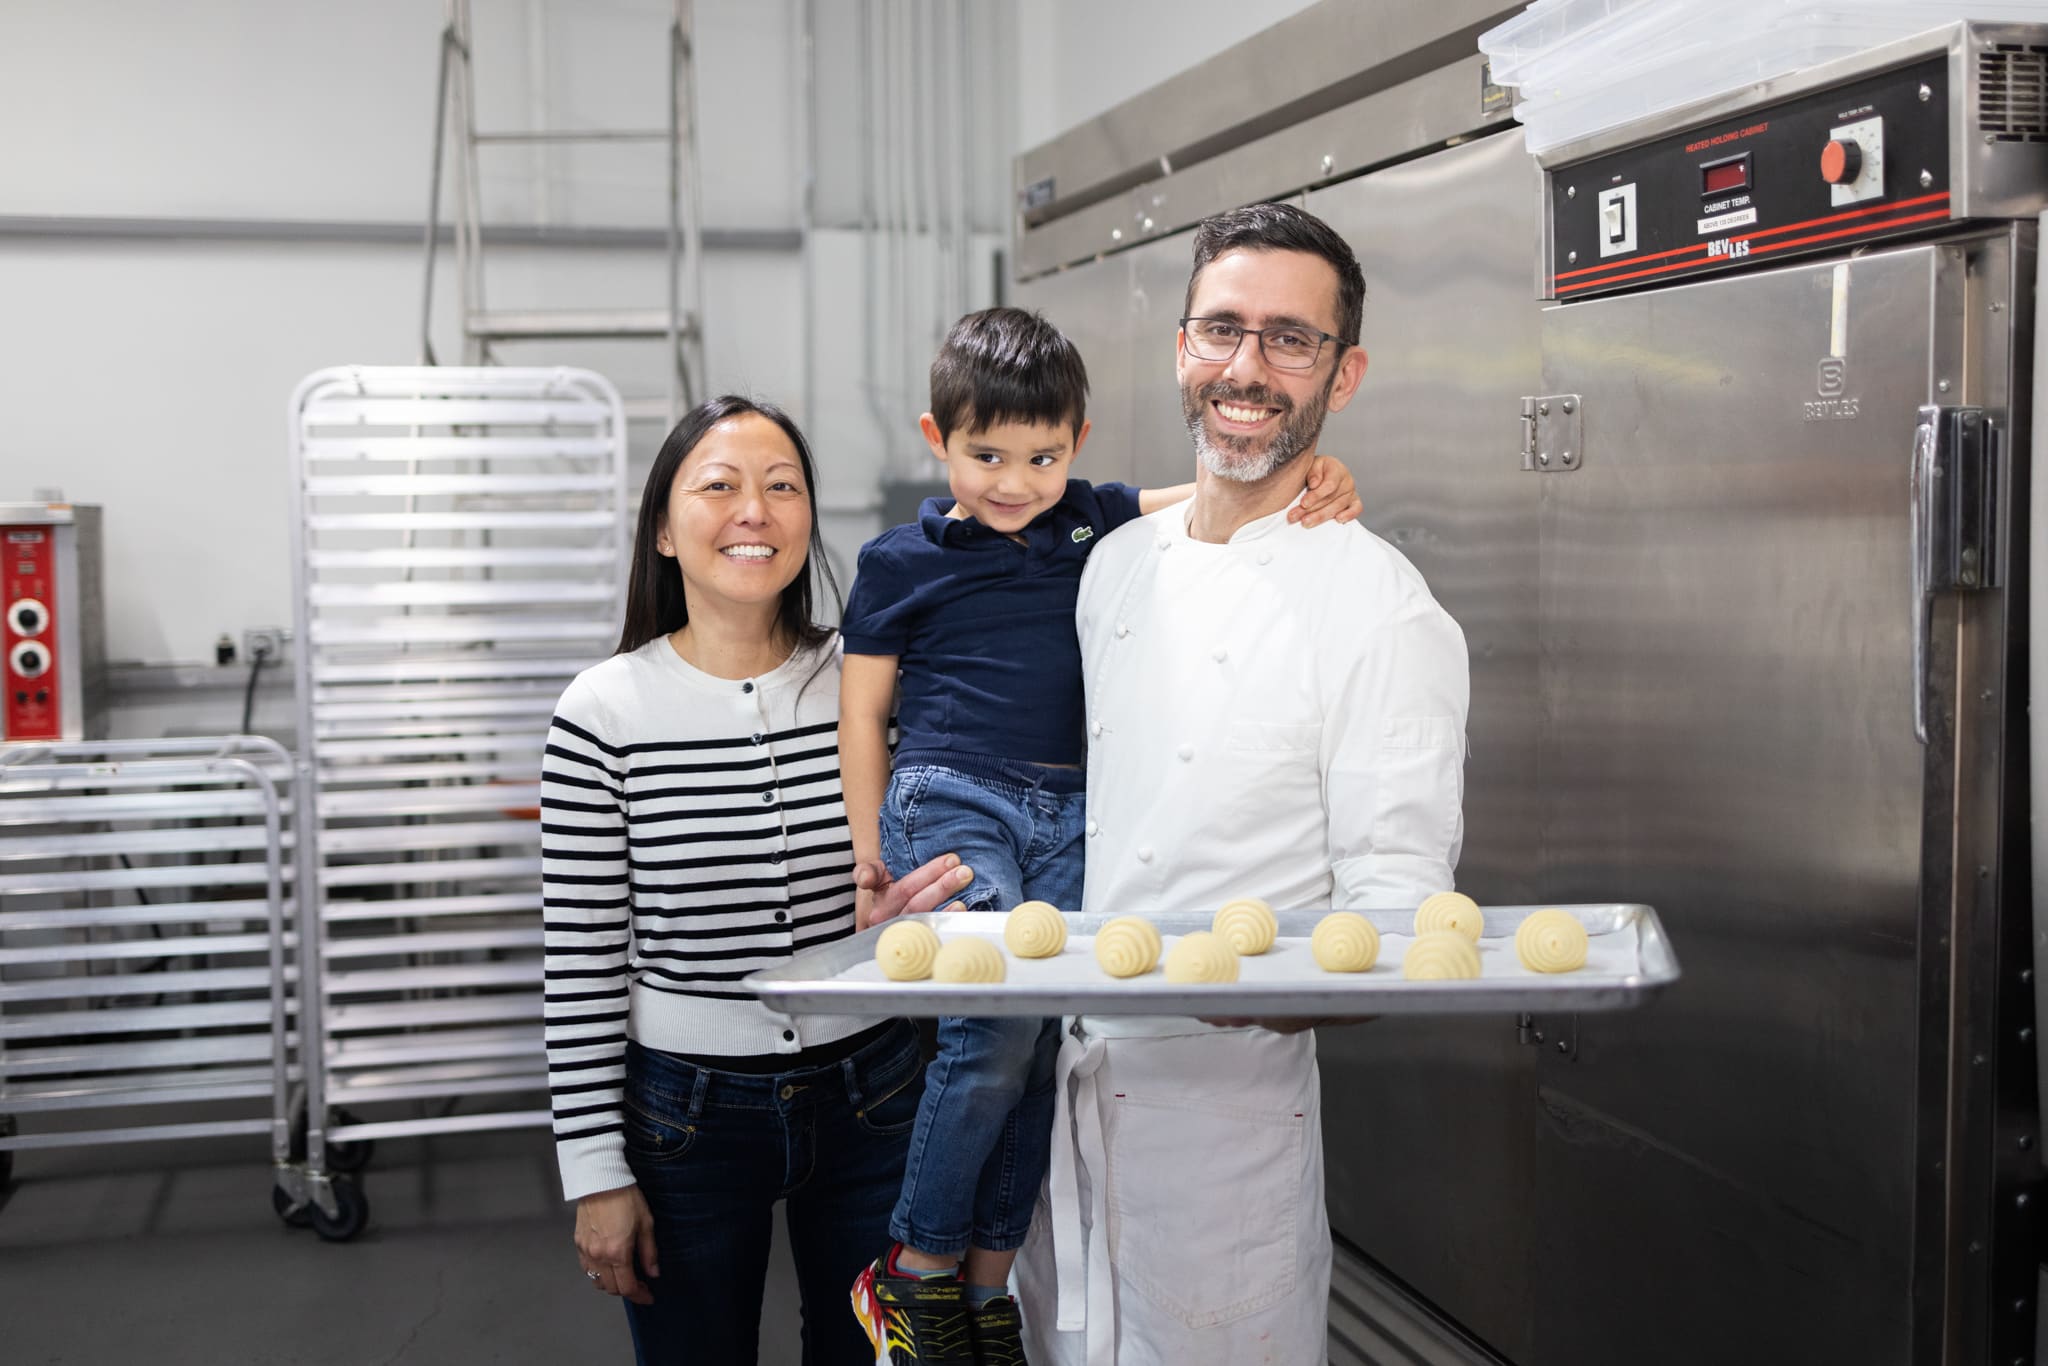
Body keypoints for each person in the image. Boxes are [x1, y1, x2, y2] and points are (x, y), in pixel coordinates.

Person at [838, 307, 1361, 1363]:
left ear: (1075, 444)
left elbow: (1206, 496)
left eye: (1040, 455)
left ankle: (984, 1288)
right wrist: (869, 858)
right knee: (990, 1021)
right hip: (949, 796)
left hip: (1069, 807)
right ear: (935, 439)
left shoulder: (1086, 519)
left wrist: (1315, 474)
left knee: (1046, 1039)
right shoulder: (897, 560)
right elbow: (860, 712)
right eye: (984, 454)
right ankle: (910, 1267)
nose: (1012, 480)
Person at [1008, 202, 1472, 1364]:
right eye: (1220, 329)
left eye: (1288, 339)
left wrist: (1263, 987)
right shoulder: (1111, 566)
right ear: (1179, 349)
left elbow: (1398, 906)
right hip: (1051, 1126)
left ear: (1343, 372)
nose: (1245, 369)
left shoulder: (1381, 607)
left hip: (1221, 1142)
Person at [541, 395, 978, 1365]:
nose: (756, 510)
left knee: (872, 1355)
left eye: (783, 486)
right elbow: (576, 958)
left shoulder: (865, 681)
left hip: (876, 1090)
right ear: (662, 527)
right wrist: (594, 1171)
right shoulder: (603, 711)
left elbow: (1029, 504)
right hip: (685, 1117)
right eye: (720, 485)